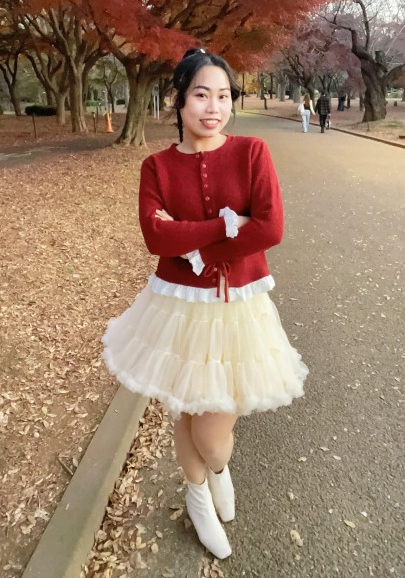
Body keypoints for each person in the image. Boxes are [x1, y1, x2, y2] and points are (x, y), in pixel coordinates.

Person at [102, 48, 308, 560]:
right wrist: (226, 224)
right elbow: (156, 237)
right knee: (189, 409)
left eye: (222, 96)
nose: (213, 107)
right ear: (178, 99)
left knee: (213, 432)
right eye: (201, 95)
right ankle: (197, 499)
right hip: (178, 309)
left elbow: (271, 228)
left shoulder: (252, 152)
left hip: (240, 309)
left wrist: (193, 242)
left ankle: (218, 468)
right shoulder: (156, 167)